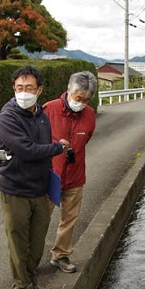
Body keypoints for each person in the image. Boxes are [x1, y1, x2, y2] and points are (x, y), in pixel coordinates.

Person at [0, 65, 70, 289]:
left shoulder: (40, 114)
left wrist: (50, 181)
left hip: (39, 189)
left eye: (29, 88)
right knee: (19, 243)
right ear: (13, 89)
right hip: (15, 190)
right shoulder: (8, 117)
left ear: (39, 90)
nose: (23, 92)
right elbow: (26, 150)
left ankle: (30, 280)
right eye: (19, 88)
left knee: (37, 243)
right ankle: (20, 288)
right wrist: (58, 147)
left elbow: (42, 148)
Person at [43, 71, 97, 274]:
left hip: (75, 175)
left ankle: (60, 255)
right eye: (78, 98)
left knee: (69, 217)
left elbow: (87, 138)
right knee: (41, 218)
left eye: (86, 99)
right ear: (68, 90)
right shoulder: (49, 109)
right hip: (49, 173)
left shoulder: (89, 115)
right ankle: (30, 261)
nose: (81, 103)